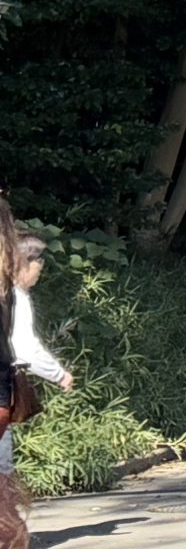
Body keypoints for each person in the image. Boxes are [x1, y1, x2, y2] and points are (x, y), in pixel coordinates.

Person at [1, 206, 73, 549]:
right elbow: (25, 347)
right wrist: (59, 374)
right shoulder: (15, 297)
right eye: (37, 268)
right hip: (3, 385)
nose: (37, 275)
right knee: (2, 462)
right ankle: (10, 531)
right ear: (23, 264)